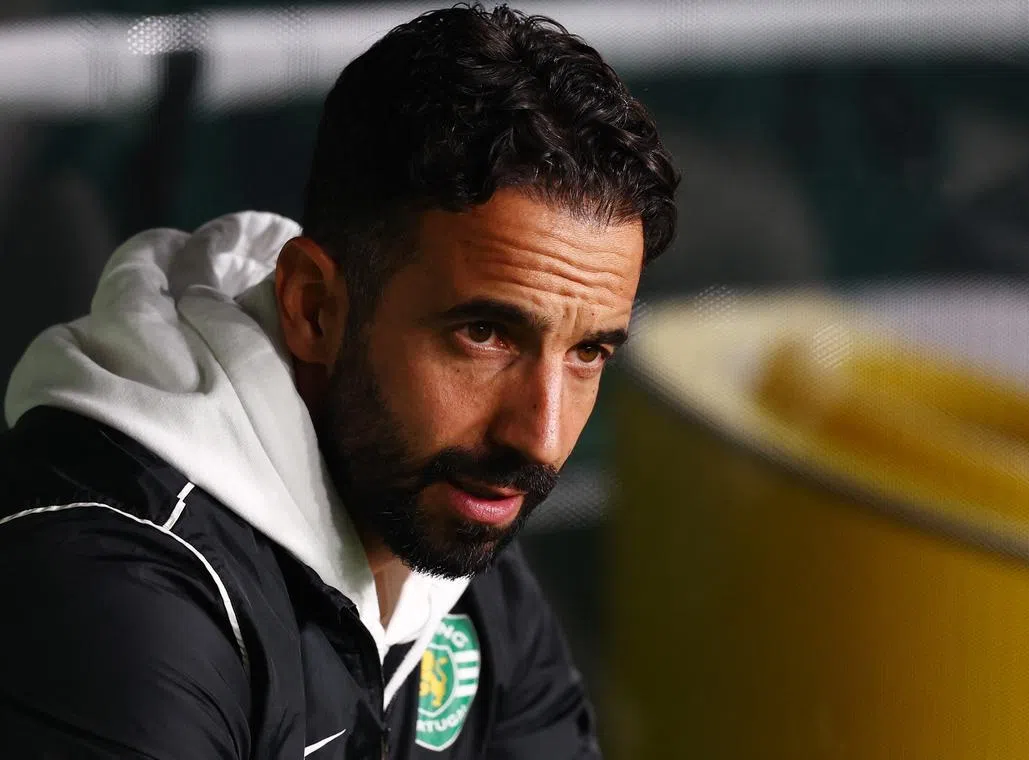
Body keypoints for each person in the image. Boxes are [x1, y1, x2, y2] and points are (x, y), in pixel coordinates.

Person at [0, 3, 678, 759]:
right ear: (314, 308)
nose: (540, 437)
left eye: (589, 353)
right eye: (485, 335)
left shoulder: (452, 519)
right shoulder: (120, 598)